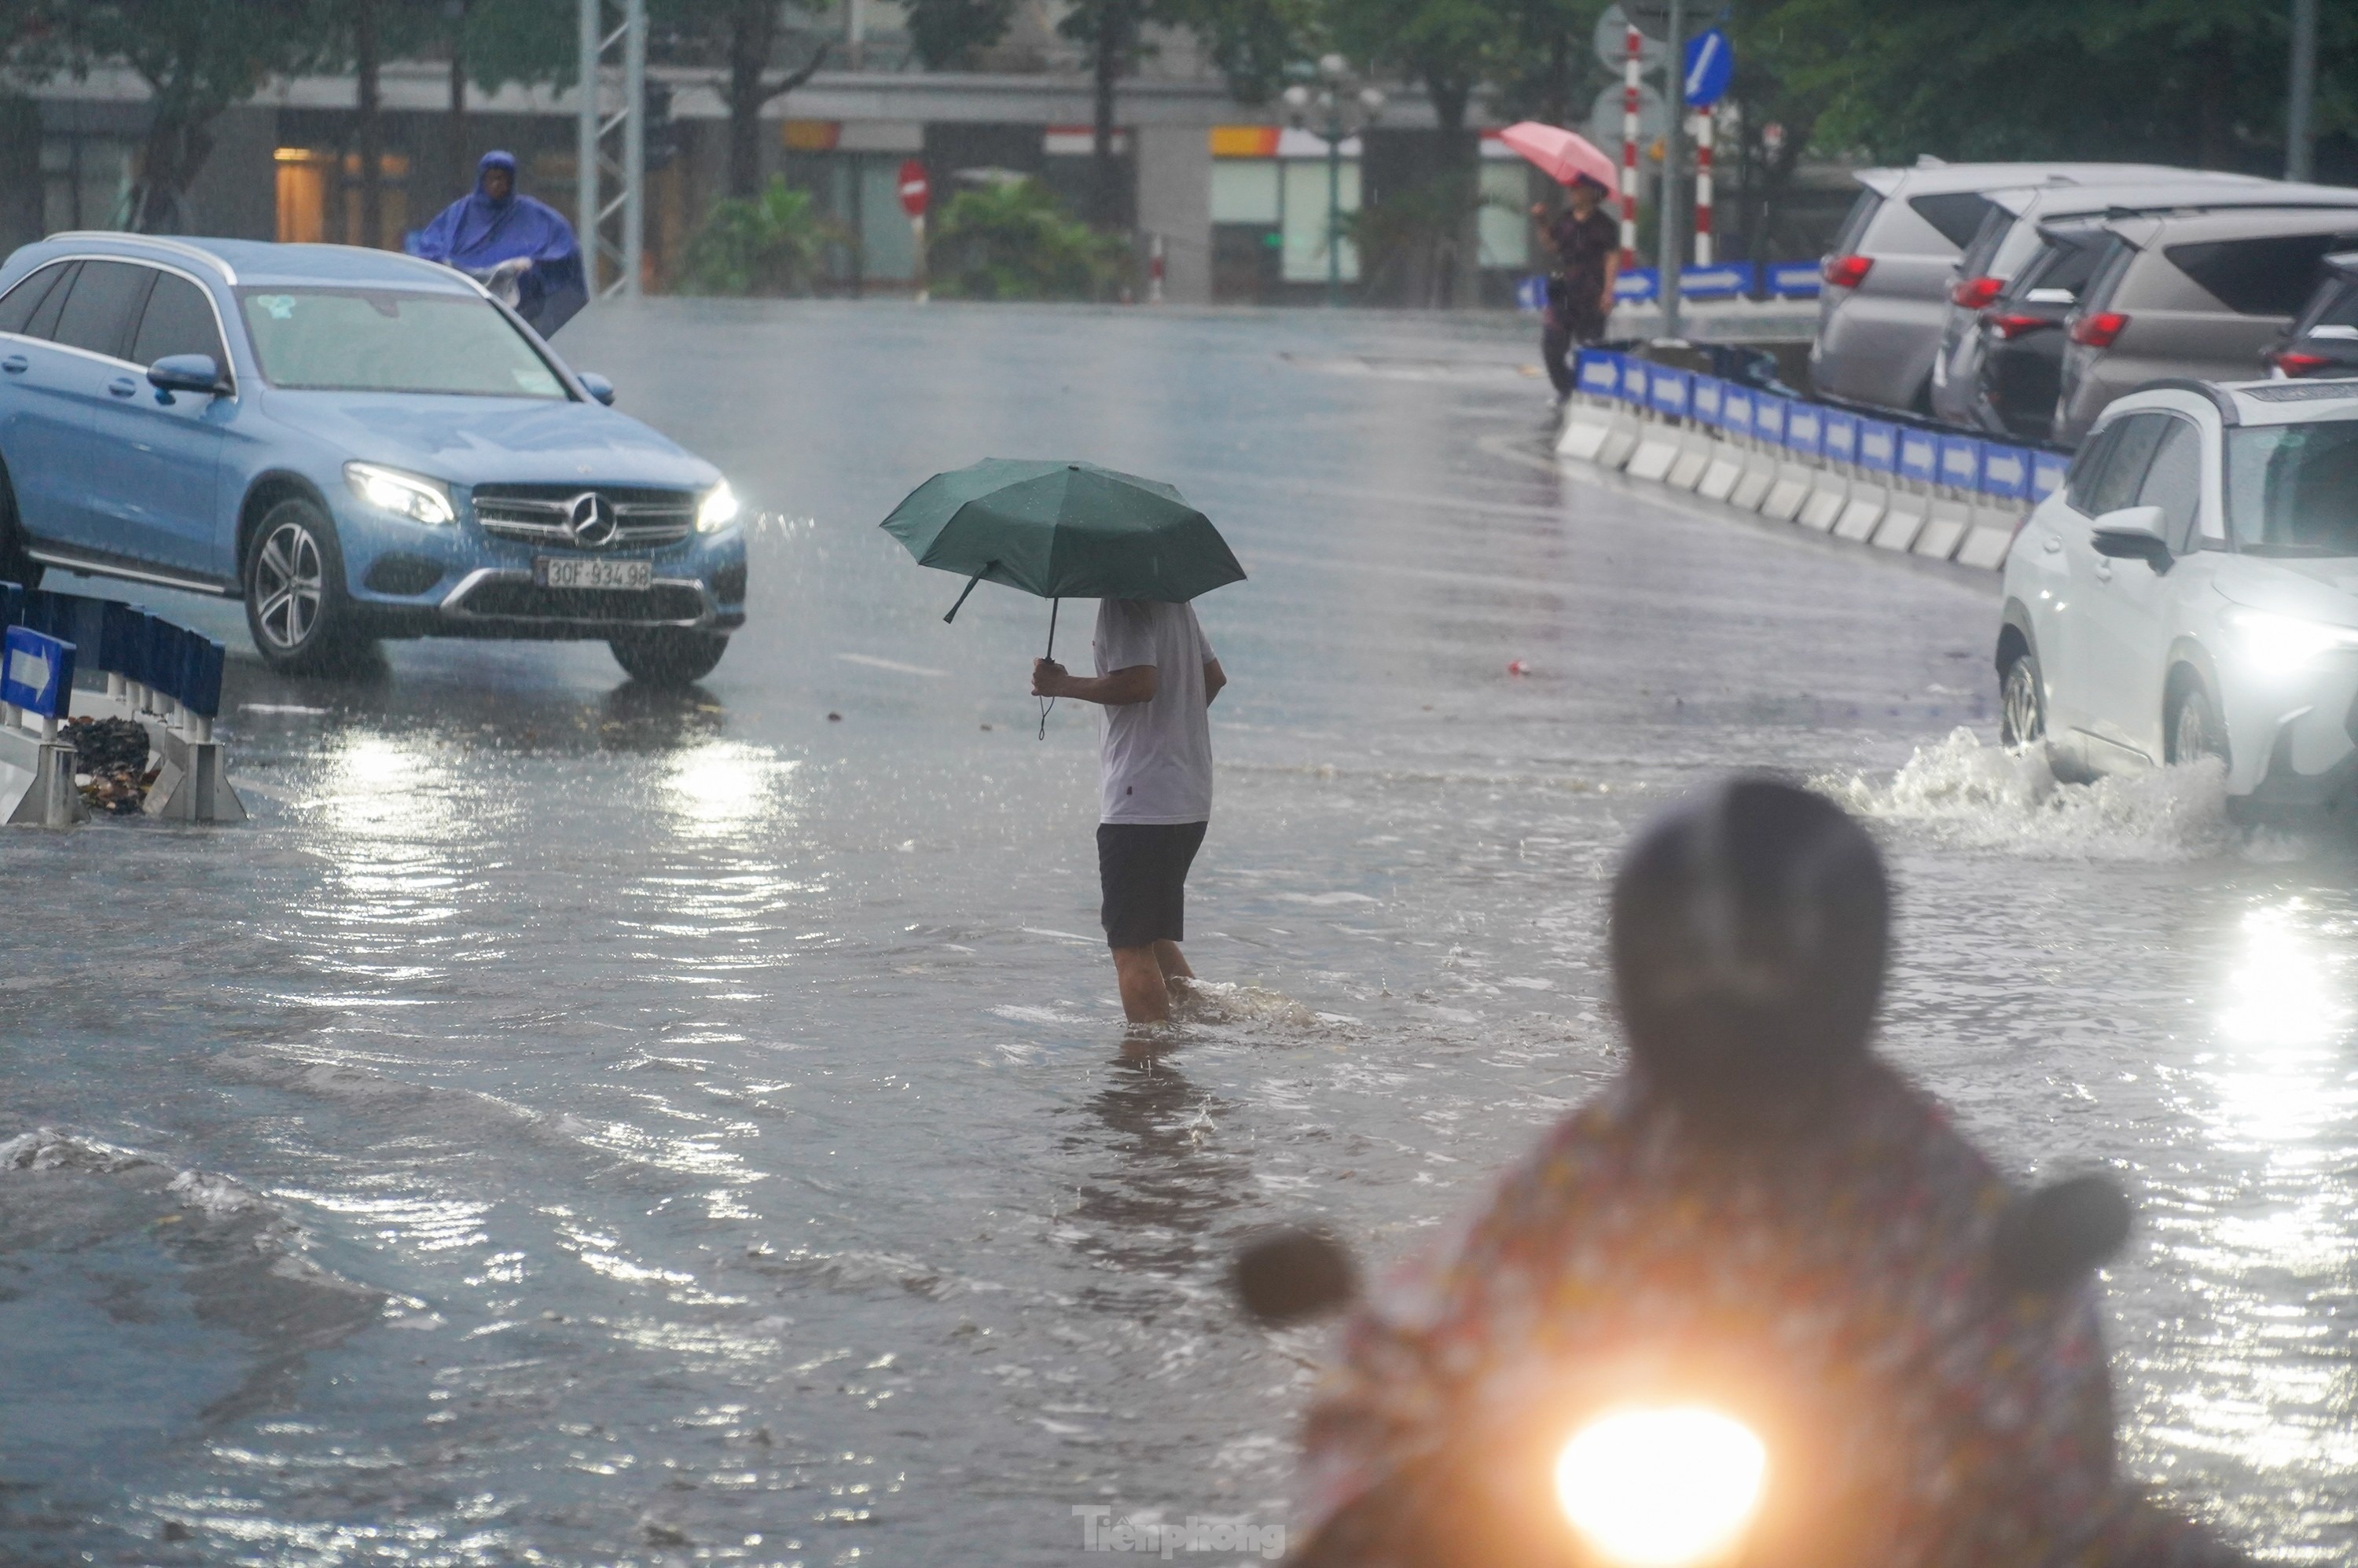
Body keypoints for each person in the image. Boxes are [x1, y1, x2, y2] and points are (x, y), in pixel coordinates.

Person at [1290, 778, 2248, 1568]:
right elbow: (1436, 1323)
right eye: (1692, 967)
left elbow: (2041, 1398)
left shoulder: (1931, 1180)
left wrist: (1975, 1461)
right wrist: (1396, 1426)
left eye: (1772, 964)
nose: (1732, 1005)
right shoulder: (1582, 1170)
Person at [1031, 599, 1227, 1024]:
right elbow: (1213, 678)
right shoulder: (1175, 598)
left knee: (1130, 946)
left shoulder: (1124, 598)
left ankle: (1149, 1073)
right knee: (1150, 932)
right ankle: (1207, 1021)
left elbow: (1139, 684)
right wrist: (1171, 732)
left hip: (1142, 804)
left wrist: (1060, 685)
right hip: (1187, 795)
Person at [412, 151, 589, 339]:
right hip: (461, 317)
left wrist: (530, 269)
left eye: (502, 178)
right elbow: (429, 254)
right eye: (491, 178)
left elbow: (563, 250)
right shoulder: (459, 215)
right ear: (482, 180)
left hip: (516, 320)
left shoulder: (534, 217)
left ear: (511, 181)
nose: (497, 184)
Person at [1536, 174, 1621, 402]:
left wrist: (1608, 292)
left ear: (1593, 193)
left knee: (1589, 348)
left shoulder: (1605, 226)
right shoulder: (1564, 220)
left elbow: (1612, 257)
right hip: (1563, 292)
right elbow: (1551, 246)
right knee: (1552, 347)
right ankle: (1567, 389)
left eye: (1579, 189)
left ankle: (1587, 395)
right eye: (1572, 190)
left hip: (1591, 294)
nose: (1574, 194)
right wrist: (1542, 222)